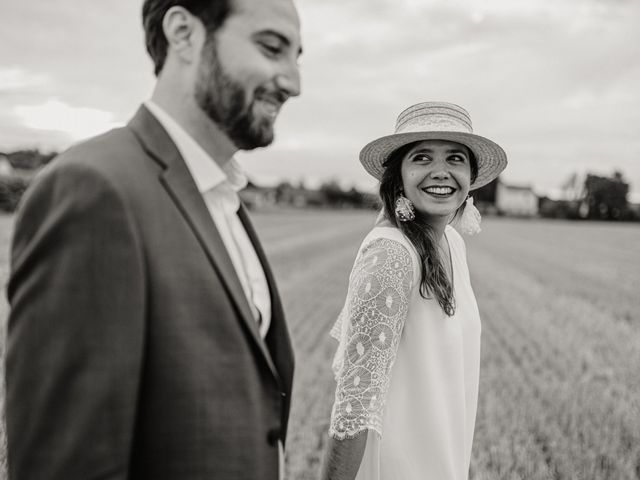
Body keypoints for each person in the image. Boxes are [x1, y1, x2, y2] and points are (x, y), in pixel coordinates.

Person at [5, 0, 301, 478]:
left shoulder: (224, 196)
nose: (294, 82)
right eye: (272, 48)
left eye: (298, 57)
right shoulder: (94, 189)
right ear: (183, 33)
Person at [322, 102, 508, 480]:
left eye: (455, 158)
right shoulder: (391, 254)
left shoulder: (453, 243)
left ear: (471, 176)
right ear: (398, 177)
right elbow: (353, 410)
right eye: (422, 157)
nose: (441, 172)